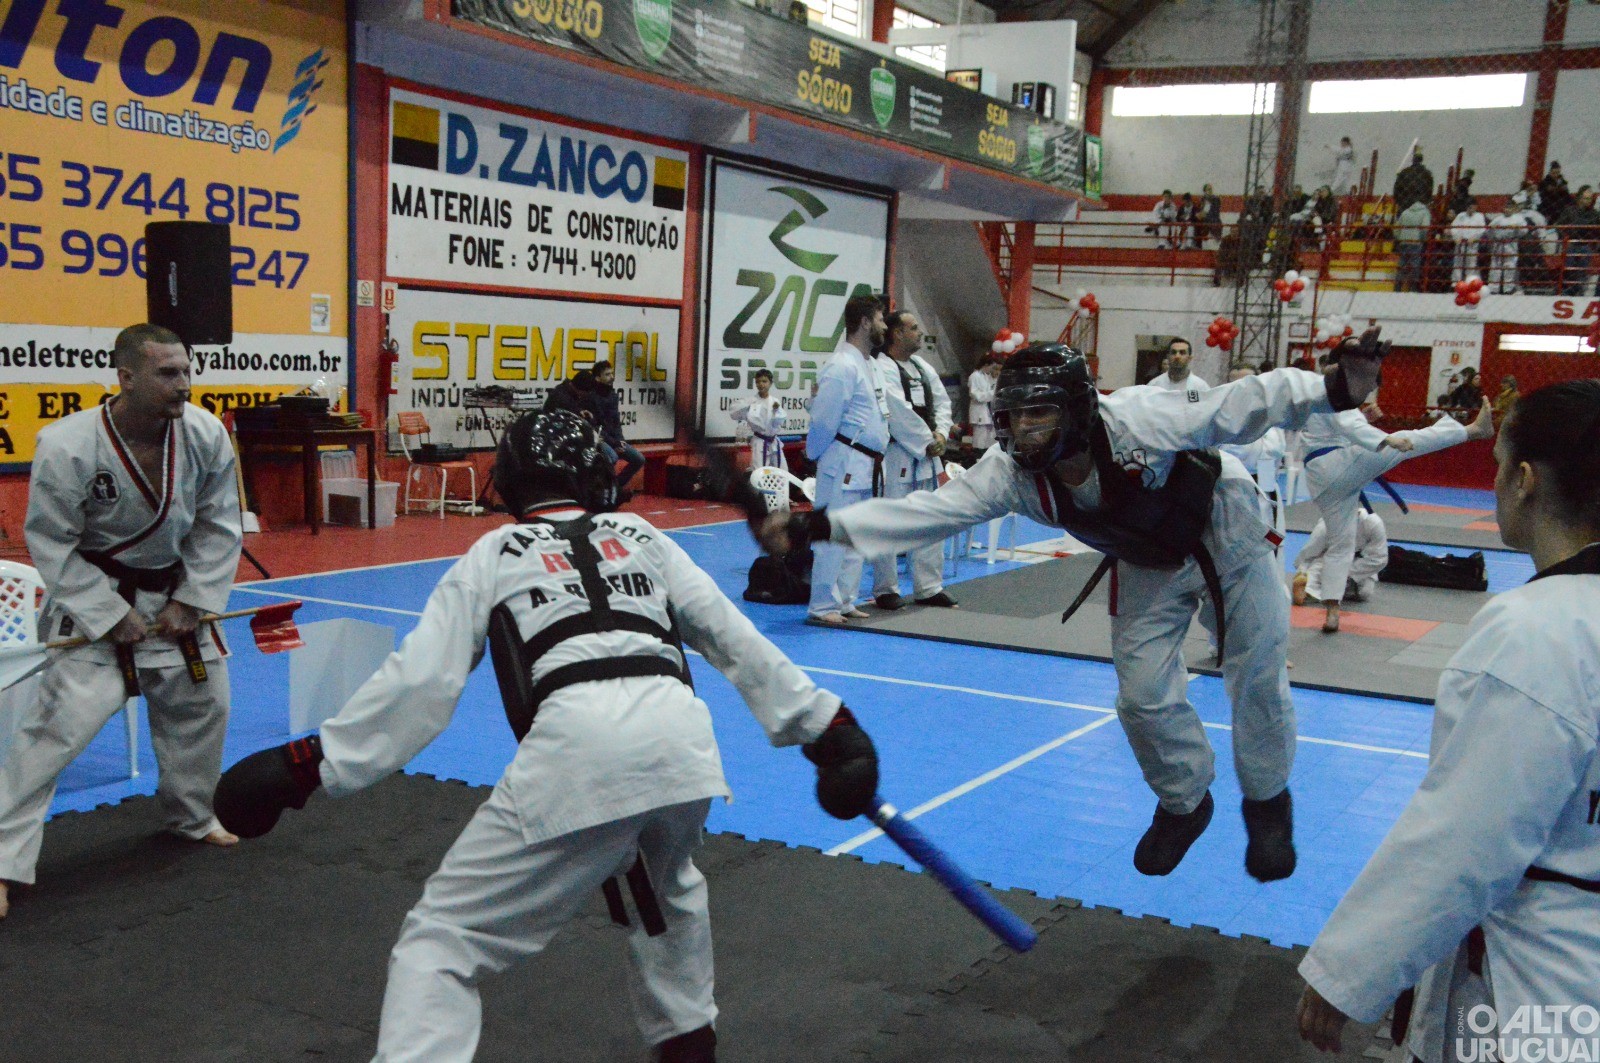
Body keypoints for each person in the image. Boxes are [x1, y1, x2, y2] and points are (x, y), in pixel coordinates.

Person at [212, 410, 879, 1063]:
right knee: (666, 890)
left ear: (509, 484)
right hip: (683, 745)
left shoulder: (491, 554)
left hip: (579, 750)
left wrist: (307, 764)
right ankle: (687, 1043)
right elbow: (733, 637)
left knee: (442, 941)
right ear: (598, 478)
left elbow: (421, 683)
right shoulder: (643, 535)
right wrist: (828, 727)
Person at [761, 337, 1390, 883]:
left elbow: (1248, 400)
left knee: (1257, 672)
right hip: (1144, 558)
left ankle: (1267, 804)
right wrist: (819, 527)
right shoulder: (1009, 473)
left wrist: (1337, 387)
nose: (1024, 429)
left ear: (1078, 409)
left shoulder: (1140, 417)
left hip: (1227, 531)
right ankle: (1184, 800)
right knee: (1140, 697)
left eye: (1039, 412)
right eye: (1014, 416)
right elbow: (925, 513)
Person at [1297, 380, 1600, 1063]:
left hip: (1544, 991)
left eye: (1497, 464)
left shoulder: (1537, 632)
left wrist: (1351, 970)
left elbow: (1466, 838)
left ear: (1523, 481)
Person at [0, 324, 242, 922]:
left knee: (203, 706)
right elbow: (50, 541)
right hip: (96, 599)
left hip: (174, 596)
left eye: (187, 371)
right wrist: (109, 614)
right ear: (126, 377)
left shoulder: (205, 433)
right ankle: (2, 860)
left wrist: (194, 599)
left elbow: (218, 524)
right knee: (55, 734)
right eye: (168, 373)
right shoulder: (68, 445)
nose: (183, 384)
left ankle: (192, 816)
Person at [1299, 351, 1494, 634]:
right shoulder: (1334, 388)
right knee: (1405, 442)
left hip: (1323, 480)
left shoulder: (1319, 391)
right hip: (1334, 466)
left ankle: (1332, 610)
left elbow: (1341, 426)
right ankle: (1472, 431)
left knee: (1341, 543)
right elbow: (1348, 424)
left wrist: (1366, 419)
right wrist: (1385, 438)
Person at [804, 294, 890, 626]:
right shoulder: (841, 366)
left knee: (856, 536)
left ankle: (845, 600)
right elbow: (824, 420)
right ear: (865, 322)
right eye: (880, 319)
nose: (885, 326)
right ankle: (822, 604)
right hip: (842, 462)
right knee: (833, 535)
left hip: (868, 463)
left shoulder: (871, 365)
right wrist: (815, 455)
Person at [871, 310, 956, 610]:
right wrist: (927, 441)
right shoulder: (882, 367)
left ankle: (929, 587)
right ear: (897, 333)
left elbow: (943, 403)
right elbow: (897, 411)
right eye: (914, 327)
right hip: (896, 455)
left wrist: (941, 433)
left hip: (927, 457)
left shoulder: (922, 367)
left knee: (929, 521)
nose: (920, 332)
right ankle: (886, 589)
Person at [1291, 510, 1388, 607]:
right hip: (1330, 559)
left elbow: (1380, 558)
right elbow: (1310, 551)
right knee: (1314, 578)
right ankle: (1307, 586)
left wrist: (1349, 573)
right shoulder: (1327, 524)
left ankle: (1327, 590)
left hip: (1359, 562)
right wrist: (1302, 571)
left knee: (1364, 592)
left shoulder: (1373, 524)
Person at [589, 361, 647, 493]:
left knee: (639, 459)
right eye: (607, 374)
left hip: (615, 440)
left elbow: (616, 422)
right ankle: (600, 489)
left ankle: (615, 486)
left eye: (612, 373)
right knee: (612, 458)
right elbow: (596, 427)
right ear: (598, 378)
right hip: (600, 440)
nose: (612, 377)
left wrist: (620, 440)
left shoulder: (613, 396)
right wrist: (614, 443)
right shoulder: (591, 398)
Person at [732, 368, 787, 471]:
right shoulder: (751, 401)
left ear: (770, 383)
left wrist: (775, 411)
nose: (761, 384)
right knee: (759, 472)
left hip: (774, 441)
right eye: (758, 382)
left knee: (782, 470)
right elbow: (734, 414)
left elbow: (779, 421)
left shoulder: (775, 401)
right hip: (760, 441)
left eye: (764, 381)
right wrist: (747, 404)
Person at [1556, 186, 1599, 296]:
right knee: (1568, 268)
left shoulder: (1594, 213)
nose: (1589, 201)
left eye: (1590, 198)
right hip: (1571, 243)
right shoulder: (1569, 210)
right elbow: (1559, 226)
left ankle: (1578, 291)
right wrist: (1565, 238)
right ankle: (1567, 290)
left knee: (1582, 270)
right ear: (1579, 198)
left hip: (1585, 244)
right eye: (1586, 198)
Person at [1393, 199, 1432, 293]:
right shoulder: (1425, 212)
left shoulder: (1405, 212)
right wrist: (1422, 239)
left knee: (1402, 264)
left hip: (1404, 241)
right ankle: (1412, 288)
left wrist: (1400, 237)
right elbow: (1425, 228)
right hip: (1415, 241)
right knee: (1415, 265)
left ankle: (1397, 288)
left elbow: (1396, 228)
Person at [1488, 199, 1525, 294]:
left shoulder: (1518, 219)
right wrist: (1493, 231)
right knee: (1495, 266)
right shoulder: (1498, 219)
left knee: (1510, 266)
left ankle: (1508, 288)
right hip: (1498, 244)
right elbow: (1489, 230)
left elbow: (1524, 231)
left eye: (1510, 207)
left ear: (1514, 208)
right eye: (1506, 207)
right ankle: (1493, 288)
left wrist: (1516, 227)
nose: (1507, 209)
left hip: (1511, 244)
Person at [967, 353, 1002, 450]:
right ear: (986, 365)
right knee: (980, 440)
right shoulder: (974, 376)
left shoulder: (986, 376)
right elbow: (975, 395)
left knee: (990, 441)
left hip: (988, 411)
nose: (992, 369)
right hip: (979, 412)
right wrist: (992, 394)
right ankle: (978, 454)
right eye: (992, 367)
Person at [1448, 198, 1487, 283]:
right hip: (1460, 243)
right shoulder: (1461, 215)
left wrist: (1475, 238)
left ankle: (1469, 282)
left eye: (1472, 207)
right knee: (1458, 263)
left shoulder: (1479, 216)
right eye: (1468, 207)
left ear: (1475, 207)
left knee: (1471, 264)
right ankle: (1456, 282)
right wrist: (1456, 237)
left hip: (1472, 244)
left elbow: (1482, 229)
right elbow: (1454, 227)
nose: (1470, 209)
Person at [1539, 160, 1573, 229]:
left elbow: (1566, 192)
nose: (1556, 175)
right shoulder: (1545, 181)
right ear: (1550, 172)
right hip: (1549, 203)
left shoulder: (1561, 180)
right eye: (1554, 173)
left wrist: (1562, 187)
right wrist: (1558, 188)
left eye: (1558, 173)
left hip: (1561, 202)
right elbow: (1548, 190)